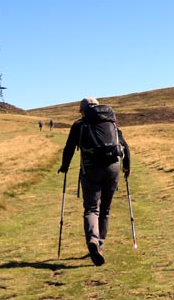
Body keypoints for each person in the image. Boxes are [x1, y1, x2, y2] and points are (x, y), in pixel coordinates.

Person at [57, 97, 131, 266]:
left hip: (90, 169)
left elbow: (69, 147)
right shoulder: (111, 122)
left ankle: (93, 240)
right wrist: (126, 167)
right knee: (105, 209)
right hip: (113, 168)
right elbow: (125, 146)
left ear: (83, 110)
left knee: (91, 208)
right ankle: (100, 244)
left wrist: (65, 166)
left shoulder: (79, 125)